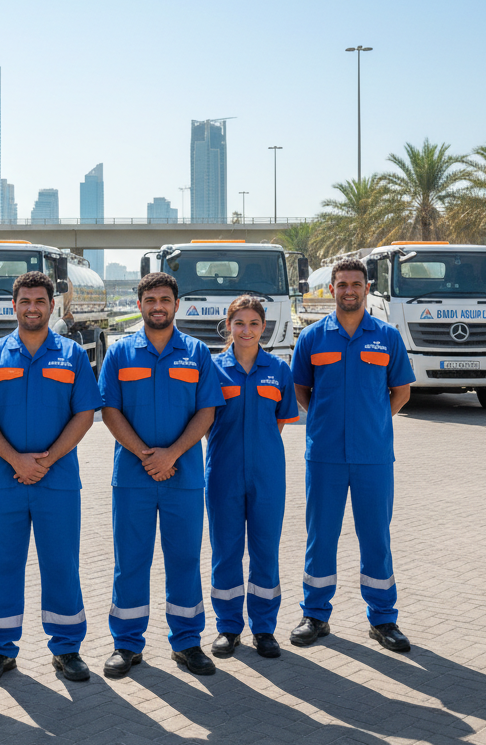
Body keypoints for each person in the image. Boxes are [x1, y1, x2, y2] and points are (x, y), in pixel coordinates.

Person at [0, 271, 103, 685]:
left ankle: (66, 649)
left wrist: (45, 460)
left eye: (39, 301)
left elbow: (85, 414)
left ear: (51, 305)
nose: (32, 307)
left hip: (57, 481)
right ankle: (0, 651)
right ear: (14, 306)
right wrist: (15, 460)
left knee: (60, 565)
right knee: (3, 565)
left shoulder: (73, 355)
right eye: (24, 300)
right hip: (4, 480)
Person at [98, 272, 225, 678]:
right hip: (133, 477)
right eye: (150, 299)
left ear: (176, 304)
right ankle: (127, 644)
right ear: (139, 305)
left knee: (185, 560)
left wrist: (172, 454)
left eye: (165, 299)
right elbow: (109, 410)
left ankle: (187, 642)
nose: (158, 305)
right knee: (130, 561)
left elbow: (207, 410)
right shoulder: (120, 352)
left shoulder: (197, 353)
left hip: (183, 475)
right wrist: (144, 454)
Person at [290, 257, 414, 652]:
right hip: (324, 455)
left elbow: (402, 391)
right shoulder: (311, 338)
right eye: (341, 284)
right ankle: (315, 615)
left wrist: (373, 419)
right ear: (331, 290)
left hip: (373, 456)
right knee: (320, 536)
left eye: (355, 284)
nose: (348, 290)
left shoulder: (387, 337)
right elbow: (301, 390)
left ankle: (383, 620)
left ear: (366, 288)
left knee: (375, 537)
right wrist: (330, 422)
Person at [207, 296, 299, 659]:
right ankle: (228, 628)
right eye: (239, 323)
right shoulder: (212, 370)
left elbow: (279, 419)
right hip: (223, 474)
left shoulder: (278, 369)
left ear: (264, 327)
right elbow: (205, 422)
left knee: (265, 552)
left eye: (254, 324)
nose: (246, 330)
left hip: (268, 475)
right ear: (228, 326)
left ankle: (264, 629)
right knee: (225, 552)